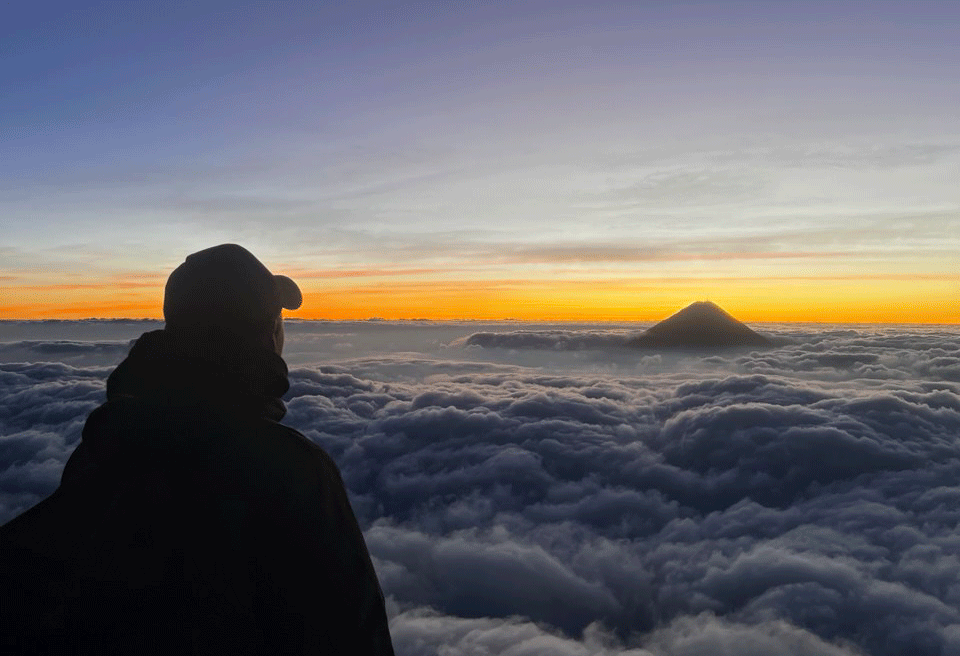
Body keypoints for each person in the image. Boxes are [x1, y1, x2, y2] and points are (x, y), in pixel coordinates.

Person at [0, 244, 395, 655]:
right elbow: (349, 634)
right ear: (267, 333)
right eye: (277, 320)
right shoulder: (289, 470)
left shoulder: (106, 447)